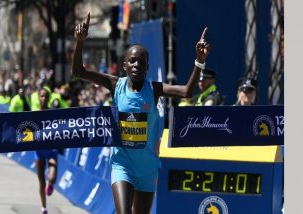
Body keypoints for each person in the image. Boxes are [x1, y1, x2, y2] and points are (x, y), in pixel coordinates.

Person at [71, 13, 211, 214]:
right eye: (132, 61)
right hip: (122, 165)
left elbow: (187, 92)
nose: (136, 65)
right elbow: (79, 72)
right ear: (125, 65)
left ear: (147, 68)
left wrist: (199, 61)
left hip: (147, 169)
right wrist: (79, 42)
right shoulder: (115, 85)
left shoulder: (154, 90)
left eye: (141, 62)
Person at [34, 87, 59, 214]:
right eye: (41, 96)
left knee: (53, 176)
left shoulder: (53, 113)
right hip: (39, 151)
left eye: (46, 96)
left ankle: (51, 184)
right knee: (41, 181)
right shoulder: (34, 114)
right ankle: (44, 208)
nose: (43, 98)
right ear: (38, 98)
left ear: (48, 98)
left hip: (51, 150)